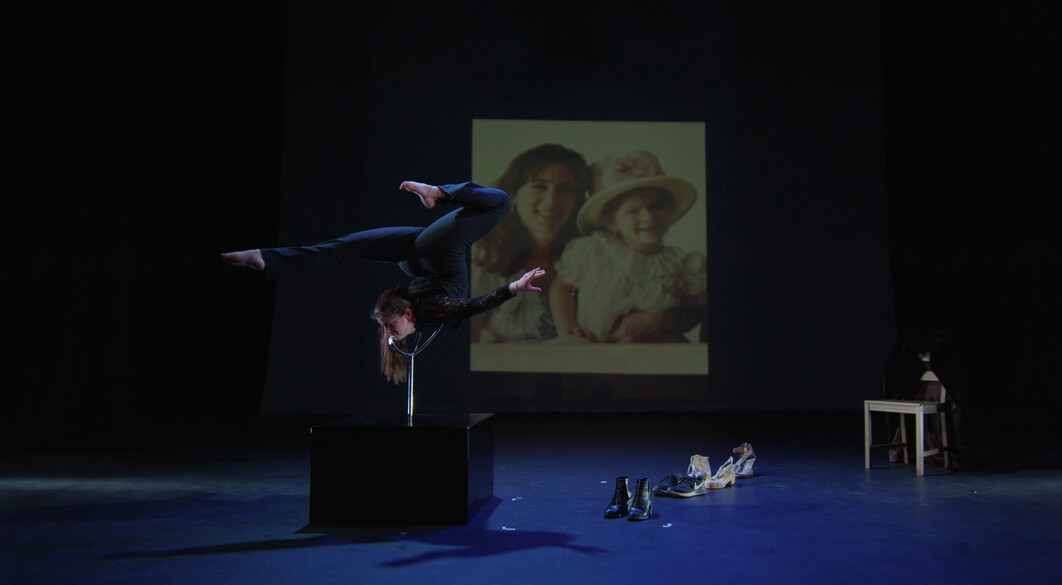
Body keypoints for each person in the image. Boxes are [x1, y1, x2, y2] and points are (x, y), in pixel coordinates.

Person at [221, 181, 546, 383]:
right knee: (500, 200)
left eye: (386, 327)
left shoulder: (410, 309)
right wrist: (513, 288)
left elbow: (397, 321)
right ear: (408, 320)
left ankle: (267, 258)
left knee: (346, 246)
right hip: (435, 253)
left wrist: (389, 331)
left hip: (416, 255)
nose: (388, 330)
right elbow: (474, 306)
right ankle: (438, 193)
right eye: (392, 329)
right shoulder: (435, 312)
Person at [549, 151, 706, 343]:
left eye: (656, 207)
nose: (648, 217)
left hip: (659, 360)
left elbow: (697, 312)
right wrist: (569, 333)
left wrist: (665, 321)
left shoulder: (683, 264)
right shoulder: (593, 251)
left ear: (669, 210)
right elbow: (561, 289)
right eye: (633, 211)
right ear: (611, 221)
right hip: (596, 356)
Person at [470, 144, 591, 343]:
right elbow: (467, 348)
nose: (552, 201)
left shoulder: (589, 256)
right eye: (539, 186)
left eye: (565, 189)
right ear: (513, 194)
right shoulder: (483, 257)